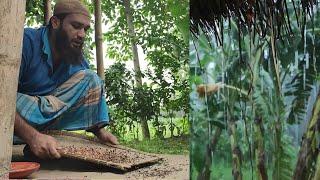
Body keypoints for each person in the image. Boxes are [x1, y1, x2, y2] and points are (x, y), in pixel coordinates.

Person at [14, 0, 118, 159]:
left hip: (44, 124)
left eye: (85, 29)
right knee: (7, 99)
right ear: (55, 22)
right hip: (12, 120)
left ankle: (43, 138)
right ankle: (33, 137)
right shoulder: (25, 41)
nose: (82, 34)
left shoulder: (76, 59)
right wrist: (33, 137)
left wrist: (100, 132)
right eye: (76, 26)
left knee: (91, 78)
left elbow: (88, 90)